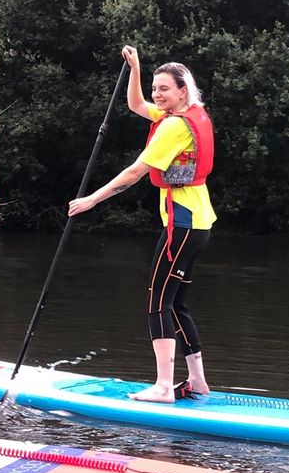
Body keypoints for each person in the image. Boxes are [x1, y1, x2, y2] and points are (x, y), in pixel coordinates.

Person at [68, 46, 217, 403]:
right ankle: (196, 382)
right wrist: (135, 70)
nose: (156, 94)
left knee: (158, 302)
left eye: (164, 88)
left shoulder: (173, 128)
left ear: (183, 91)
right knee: (176, 303)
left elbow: (135, 173)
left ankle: (164, 387)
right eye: (154, 88)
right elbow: (136, 105)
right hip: (198, 223)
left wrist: (91, 200)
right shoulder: (187, 116)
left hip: (182, 225)